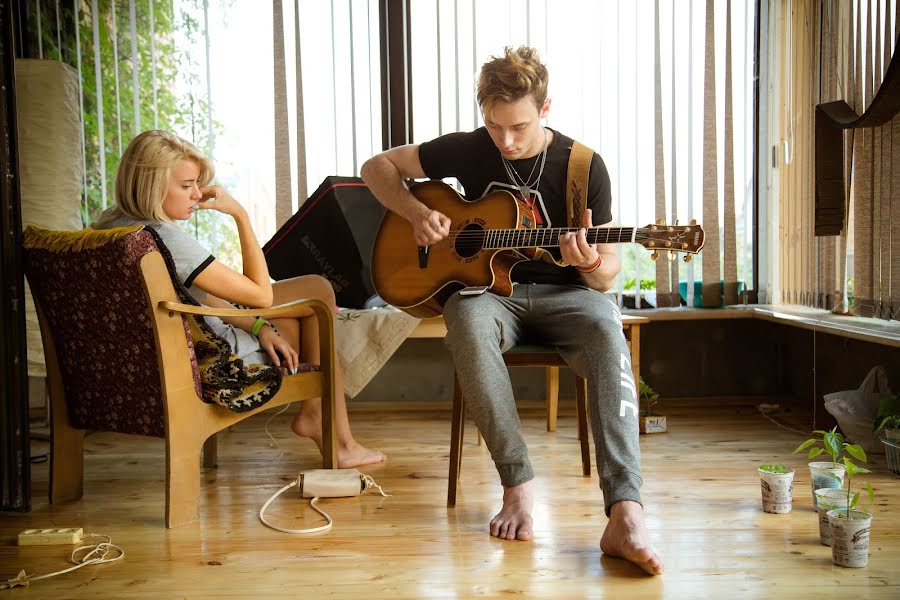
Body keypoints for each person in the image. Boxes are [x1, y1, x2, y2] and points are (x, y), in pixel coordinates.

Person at [361, 46, 662, 575]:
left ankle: (625, 512)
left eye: (518, 126)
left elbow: (608, 272)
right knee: (466, 322)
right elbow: (376, 166)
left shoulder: (584, 166)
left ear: (546, 109)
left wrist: (590, 262)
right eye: (495, 126)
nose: (505, 140)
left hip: (570, 297)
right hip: (490, 294)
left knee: (609, 332)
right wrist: (414, 211)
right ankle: (517, 486)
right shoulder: (472, 148)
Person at [94, 129, 385, 469]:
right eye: (186, 186)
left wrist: (260, 325)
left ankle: (323, 424)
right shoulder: (167, 238)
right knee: (317, 297)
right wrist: (240, 215)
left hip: (160, 347)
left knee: (301, 307)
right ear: (152, 185)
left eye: (197, 185)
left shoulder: (111, 227)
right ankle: (332, 432)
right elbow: (260, 294)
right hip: (213, 355)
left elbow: (194, 298)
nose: (197, 194)